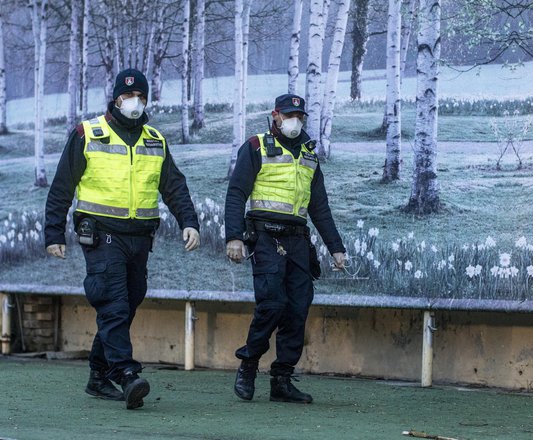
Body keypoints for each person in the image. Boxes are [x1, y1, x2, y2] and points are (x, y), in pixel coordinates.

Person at [44, 68, 200, 410]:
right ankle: (127, 374)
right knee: (113, 304)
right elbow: (61, 186)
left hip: (140, 238)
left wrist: (189, 221)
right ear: (116, 98)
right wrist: (53, 232)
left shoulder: (155, 140)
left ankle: (98, 376)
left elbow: (173, 186)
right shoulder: (88, 133)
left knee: (127, 304)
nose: (135, 102)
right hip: (101, 235)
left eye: (142, 97)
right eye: (129, 96)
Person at [224, 93, 346, 404]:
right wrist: (234, 237)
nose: (295, 120)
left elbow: (320, 207)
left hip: (298, 241)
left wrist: (336, 247)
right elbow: (236, 193)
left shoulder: (308, 155)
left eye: (299, 116)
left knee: (297, 309)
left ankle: (282, 379)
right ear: (275, 115)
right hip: (265, 238)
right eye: (289, 114)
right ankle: (248, 364)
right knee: (273, 304)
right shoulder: (256, 146)